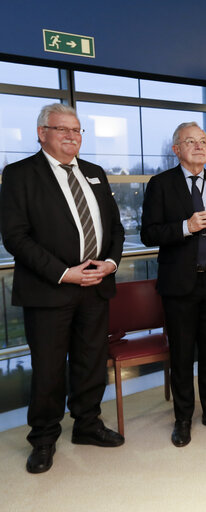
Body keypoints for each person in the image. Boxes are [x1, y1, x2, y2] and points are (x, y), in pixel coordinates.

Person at [0, 103, 125, 473]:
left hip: (96, 285)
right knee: (49, 370)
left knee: (90, 363)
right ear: (42, 133)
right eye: (63, 130)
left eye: (77, 130)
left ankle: (87, 424)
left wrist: (112, 263)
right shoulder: (20, 175)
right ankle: (43, 439)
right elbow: (15, 237)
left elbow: (115, 228)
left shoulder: (95, 173)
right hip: (49, 289)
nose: (73, 136)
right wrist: (63, 273)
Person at [141, 122, 206, 448]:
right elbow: (149, 233)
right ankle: (182, 418)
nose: (198, 146)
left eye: (203, 141)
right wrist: (186, 226)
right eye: (190, 141)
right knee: (182, 355)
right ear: (176, 150)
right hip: (180, 284)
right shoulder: (160, 184)